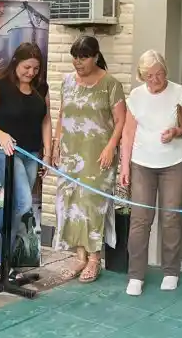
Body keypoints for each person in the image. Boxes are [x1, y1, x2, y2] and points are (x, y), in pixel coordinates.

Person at [0, 42, 52, 279]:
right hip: (2, 151)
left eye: (36, 68)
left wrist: (47, 153)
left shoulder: (41, 88)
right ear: (16, 63)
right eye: (27, 67)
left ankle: (2, 265)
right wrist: (1, 135)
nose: (31, 73)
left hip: (31, 153)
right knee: (22, 204)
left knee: (16, 206)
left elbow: (45, 120)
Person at [52, 35, 126, 283]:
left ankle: (95, 259)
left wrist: (111, 147)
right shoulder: (67, 82)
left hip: (98, 155)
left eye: (83, 57)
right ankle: (79, 257)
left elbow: (121, 120)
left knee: (92, 204)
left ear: (95, 57)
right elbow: (62, 114)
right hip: (70, 152)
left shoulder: (111, 84)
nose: (78, 62)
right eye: (75, 57)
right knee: (72, 202)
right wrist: (56, 144)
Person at [119, 50, 182, 296]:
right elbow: (128, 133)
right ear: (142, 76)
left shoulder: (179, 92)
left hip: (175, 163)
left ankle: (171, 271)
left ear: (165, 71)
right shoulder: (136, 96)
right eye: (149, 76)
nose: (155, 80)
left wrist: (177, 132)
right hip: (142, 164)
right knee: (140, 219)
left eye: (159, 74)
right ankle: (135, 275)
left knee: (170, 217)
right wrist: (124, 166)